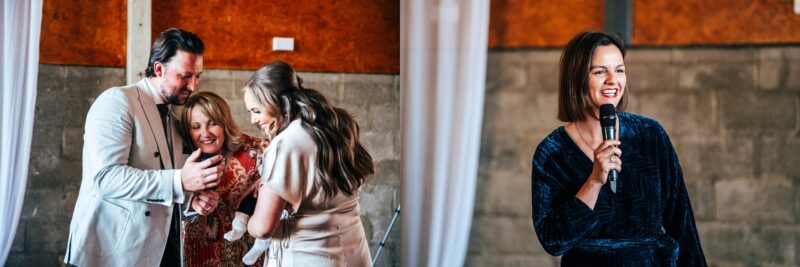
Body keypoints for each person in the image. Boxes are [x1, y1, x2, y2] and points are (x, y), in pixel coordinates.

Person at [530, 31, 707, 266]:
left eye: (620, 70)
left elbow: (682, 223)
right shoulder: (552, 152)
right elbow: (552, 240)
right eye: (600, 71)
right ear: (577, 78)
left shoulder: (650, 135)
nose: (613, 80)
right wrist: (594, 181)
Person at [64, 28, 224, 267]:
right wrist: (180, 181)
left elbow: (168, 187)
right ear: (159, 69)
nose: (193, 85)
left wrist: (192, 201)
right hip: (113, 253)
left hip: (164, 252)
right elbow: (107, 178)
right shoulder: (117, 101)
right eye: (185, 76)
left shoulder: (176, 116)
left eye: (198, 76)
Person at [243, 61, 374, 266]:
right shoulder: (335, 125)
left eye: (256, 111)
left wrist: (248, 223)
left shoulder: (285, 143)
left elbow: (263, 227)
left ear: (275, 102)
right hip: (354, 252)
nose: (253, 120)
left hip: (309, 258)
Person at [179, 91, 269, 266]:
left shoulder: (258, 151)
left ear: (225, 123)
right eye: (196, 126)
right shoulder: (182, 162)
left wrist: (269, 178)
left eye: (212, 123)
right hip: (201, 255)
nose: (205, 133)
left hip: (250, 256)